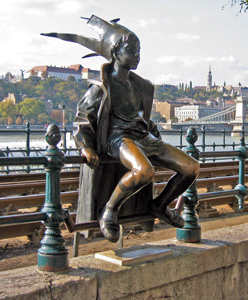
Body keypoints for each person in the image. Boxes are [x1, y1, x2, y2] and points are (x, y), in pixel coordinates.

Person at [42, 15, 199, 242]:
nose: (137, 56)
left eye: (139, 51)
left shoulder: (137, 87)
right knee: (144, 171)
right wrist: (85, 148)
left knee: (191, 167)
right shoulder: (101, 87)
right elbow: (82, 119)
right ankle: (109, 211)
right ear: (116, 53)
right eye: (132, 50)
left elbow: (139, 116)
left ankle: (160, 205)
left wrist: (153, 130)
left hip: (143, 138)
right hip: (119, 139)